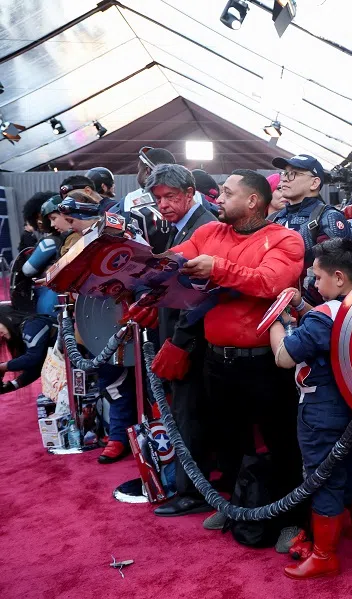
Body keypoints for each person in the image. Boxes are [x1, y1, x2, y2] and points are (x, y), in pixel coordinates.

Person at [150, 169, 304, 524]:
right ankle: (236, 505)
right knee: (229, 441)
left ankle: (291, 520)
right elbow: (172, 260)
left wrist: (217, 267)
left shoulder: (286, 239)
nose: (217, 199)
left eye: (226, 193)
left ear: (252, 201)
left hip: (265, 363)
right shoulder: (208, 232)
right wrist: (137, 262)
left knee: (281, 443)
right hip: (216, 361)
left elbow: (271, 282)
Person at [268, 238, 352, 579]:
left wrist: (275, 324)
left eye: (317, 277)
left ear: (339, 277)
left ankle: (325, 554)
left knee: (321, 477)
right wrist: (303, 308)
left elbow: (285, 357)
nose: (312, 284)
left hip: (319, 408)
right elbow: (328, 321)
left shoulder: (324, 316)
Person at [124, 164, 218, 517]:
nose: (162, 205)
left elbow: (201, 295)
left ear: (190, 193)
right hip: (184, 334)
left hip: (193, 340)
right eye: (157, 198)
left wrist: (178, 342)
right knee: (188, 415)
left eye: (170, 197)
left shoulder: (204, 226)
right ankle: (195, 486)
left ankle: (190, 491)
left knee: (187, 416)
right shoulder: (181, 227)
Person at [58, 191, 140, 463]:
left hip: (133, 315)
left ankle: (143, 437)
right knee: (111, 382)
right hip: (97, 322)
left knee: (149, 385)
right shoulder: (76, 241)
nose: (70, 226)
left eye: (72, 220)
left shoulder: (118, 231)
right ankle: (118, 435)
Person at [269, 154, 351, 304]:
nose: (285, 179)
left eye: (293, 173)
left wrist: (302, 306)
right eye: (284, 173)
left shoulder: (328, 218)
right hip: (274, 305)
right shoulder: (275, 219)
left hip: (312, 311)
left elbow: (333, 273)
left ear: (314, 183)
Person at [0, 306, 57, 394]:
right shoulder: (24, 329)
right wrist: (11, 385)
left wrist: (2, 367)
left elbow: (33, 358)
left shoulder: (32, 325)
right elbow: (37, 367)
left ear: (7, 318)